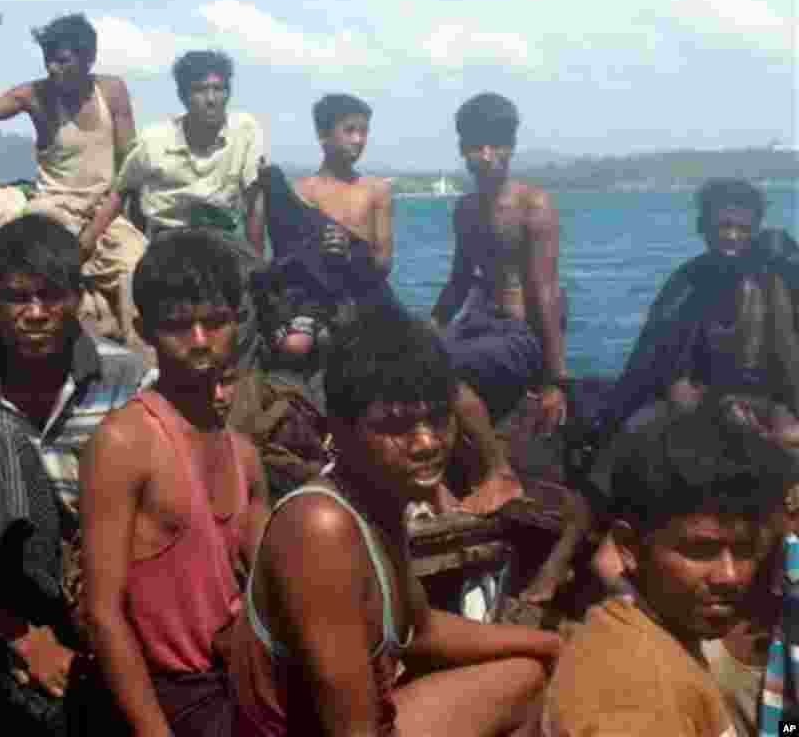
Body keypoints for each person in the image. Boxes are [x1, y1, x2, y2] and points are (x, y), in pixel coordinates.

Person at [231, 301, 562, 737]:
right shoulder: (321, 528)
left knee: (530, 673)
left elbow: (420, 631)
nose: (426, 443)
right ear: (341, 430)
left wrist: (552, 643)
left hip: (372, 714)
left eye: (437, 419)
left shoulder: (380, 500)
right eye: (396, 426)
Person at [0, 214, 150, 714]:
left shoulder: (128, 377)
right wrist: (22, 638)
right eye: (18, 297)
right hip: (9, 580)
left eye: (51, 296)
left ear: (77, 298)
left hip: (103, 567)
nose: (36, 313)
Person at [79, 229, 268, 736]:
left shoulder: (244, 455)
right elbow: (102, 613)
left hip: (240, 677)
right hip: (173, 697)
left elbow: (270, 585)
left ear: (238, 322)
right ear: (143, 329)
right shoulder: (125, 442)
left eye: (216, 322)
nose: (201, 341)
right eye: (179, 326)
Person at [542, 397, 794, 736]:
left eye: (746, 550)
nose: (729, 576)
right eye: (700, 550)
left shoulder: (658, 637)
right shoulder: (638, 701)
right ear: (629, 548)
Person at [0, 13, 145, 349]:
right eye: (48, 60)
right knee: (22, 261)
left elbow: (129, 172)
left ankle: (145, 373)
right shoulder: (35, 96)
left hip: (106, 213)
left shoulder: (111, 92)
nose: (53, 68)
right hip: (53, 208)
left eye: (63, 60)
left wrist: (94, 233)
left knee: (138, 268)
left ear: (88, 59)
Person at [92, 49, 266, 365]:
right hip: (169, 238)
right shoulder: (155, 140)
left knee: (252, 303)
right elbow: (121, 192)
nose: (212, 99)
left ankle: (235, 381)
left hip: (221, 239)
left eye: (219, 89)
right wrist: (83, 245)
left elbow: (255, 199)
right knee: (152, 300)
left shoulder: (245, 130)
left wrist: (256, 260)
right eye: (201, 90)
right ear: (184, 96)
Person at [595, 179, 799, 439]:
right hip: (711, 399)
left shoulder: (778, 275)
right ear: (704, 227)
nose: (732, 235)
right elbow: (649, 357)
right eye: (724, 226)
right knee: (642, 426)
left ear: (755, 230)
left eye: (743, 228)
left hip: (772, 399)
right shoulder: (687, 282)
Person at [431, 93, 566, 431]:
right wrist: (424, 331)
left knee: (441, 367)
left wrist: (554, 382)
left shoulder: (533, 205)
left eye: (497, 144)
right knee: (407, 361)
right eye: (477, 146)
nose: (487, 156)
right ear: (463, 150)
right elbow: (458, 283)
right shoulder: (465, 210)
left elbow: (545, 293)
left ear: (512, 146)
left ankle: (495, 469)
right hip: (478, 326)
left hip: (520, 335)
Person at [257, 93, 396, 367]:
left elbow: (384, 263)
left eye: (364, 131)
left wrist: (351, 253)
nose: (358, 139)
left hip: (360, 295)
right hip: (311, 299)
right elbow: (286, 257)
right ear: (323, 135)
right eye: (349, 130)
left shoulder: (377, 191)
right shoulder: (299, 193)